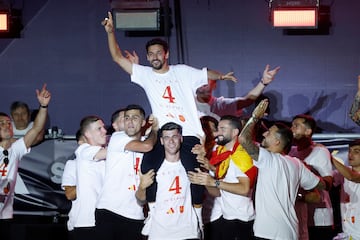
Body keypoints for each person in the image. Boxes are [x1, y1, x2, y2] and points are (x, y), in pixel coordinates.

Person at [102, 12, 237, 210]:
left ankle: (197, 218)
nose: (155, 57)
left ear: (166, 54)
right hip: (163, 133)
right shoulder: (145, 74)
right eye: (151, 54)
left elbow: (206, 74)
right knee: (147, 167)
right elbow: (116, 57)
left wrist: (222, 76)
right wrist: (110, 32)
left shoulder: (181, 71)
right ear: (147, 57)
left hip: (188, 132)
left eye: (159, 53)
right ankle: (155, 212)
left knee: (194, 173)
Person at [238, 99, 326, 240]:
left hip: (269, 234)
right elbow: (321, 184)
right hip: (290, 233)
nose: (264, 134)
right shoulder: (296, 163)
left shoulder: (267, 158)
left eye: (269, 133)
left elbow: (243, 139)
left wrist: (255, 117)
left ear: (277, 142)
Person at [188, 115, 258, 240]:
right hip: (227, 216)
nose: (218, 132)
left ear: (235, 132)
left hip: (242, 219)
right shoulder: (222, 152)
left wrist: (214, 182)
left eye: (222, 129)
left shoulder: (241, 155)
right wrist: (208, 169)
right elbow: (221, 186)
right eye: (218, 128)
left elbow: (244, 188)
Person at [95, 104, 158, 240]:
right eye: (127, 118)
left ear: (142, 122)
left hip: (135, 214)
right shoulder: (118, 137)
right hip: (109, 210)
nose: (129, 121)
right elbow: (147, 146)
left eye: (135, 118)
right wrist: (155, 130)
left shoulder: (146, 141)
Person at [0, 84, 51, 238]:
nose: (7, 126)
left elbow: (36, 130)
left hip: (4, 214)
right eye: (1, 123)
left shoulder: (15, 149)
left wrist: (43, 106)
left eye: (9, 123)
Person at [136, 122, 202, 240]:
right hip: (160, 233)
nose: (171, 141)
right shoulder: (153, 169)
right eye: (166, 137)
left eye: (174, 136)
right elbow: (140, 200)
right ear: (161, 141)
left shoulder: (191, 166)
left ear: (181, 138)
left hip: (188, 231)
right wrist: (142, 187)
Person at [289, 114, 334, 240]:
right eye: (291, 125)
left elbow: (327, 183)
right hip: (299, 217)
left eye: (296, 126)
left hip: (319, 219)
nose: (291, 129)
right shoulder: (291, 152)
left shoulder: (319, 151)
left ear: (308, 131)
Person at [196, 65, 280, 120]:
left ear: (214, 85)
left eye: (207, 81)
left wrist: (263, 83)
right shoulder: (187, 101)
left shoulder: (220, 105)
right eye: (201, 80)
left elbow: (247, 100)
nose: (203, 84)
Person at [72, 115, 107, 240]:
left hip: (104, 221)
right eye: (99, 129)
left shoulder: (106, 156)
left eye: (103, 127)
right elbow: (107, 153)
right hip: (87, 222)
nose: (105, 131)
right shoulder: (83, 150)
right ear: (87, 133)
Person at [331, 139, 360, 240]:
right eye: (349, 151)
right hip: (348, 233)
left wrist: (330, 158)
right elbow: (326, 182)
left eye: (356, 151)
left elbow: (352, 177)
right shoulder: (342, 173)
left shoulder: (348, 174)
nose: (351, 154)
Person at [61, 130, 86, 240]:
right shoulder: (72, 164)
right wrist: (87, 178)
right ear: (81, 142)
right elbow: (70, 194)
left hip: (104, 223)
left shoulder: (106, 163)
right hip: (80, 224)